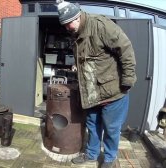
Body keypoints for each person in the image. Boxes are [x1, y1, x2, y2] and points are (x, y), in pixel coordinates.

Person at [55, 0, 137, 168]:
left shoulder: (101, 25)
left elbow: (126, 49)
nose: (67, 28)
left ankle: (109, 158)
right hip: (91, 92)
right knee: (92, 126)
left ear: (77, 17)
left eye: (68, 24)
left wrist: (128, 79)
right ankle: (91, 154)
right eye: (64, 25)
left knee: (111, 129)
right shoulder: (75, 33)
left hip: (112, 91)